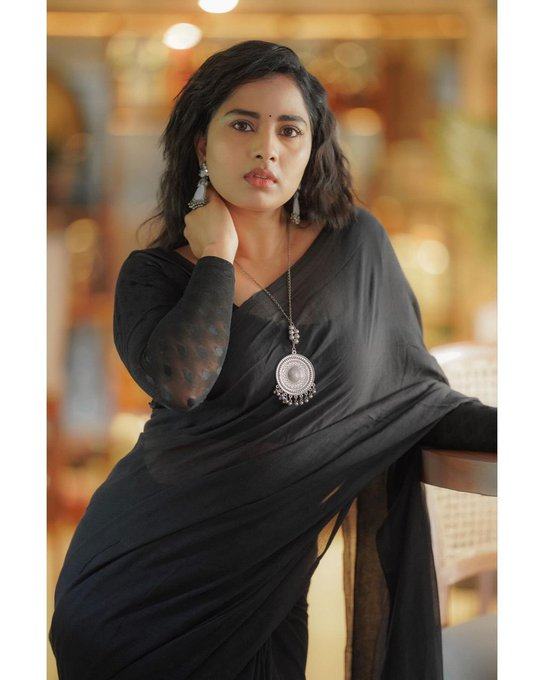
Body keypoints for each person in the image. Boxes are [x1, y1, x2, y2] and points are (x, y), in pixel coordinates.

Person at [49, 40, 497, 680]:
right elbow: (183, 385)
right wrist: (215, 259)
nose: (268, 148)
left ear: (311, 148)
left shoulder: (356, 249)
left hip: (267, 591)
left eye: (290, 129)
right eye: (242, 125)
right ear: (201, 145)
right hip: (136, 589)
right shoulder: (153, 275)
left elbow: (413, 403)